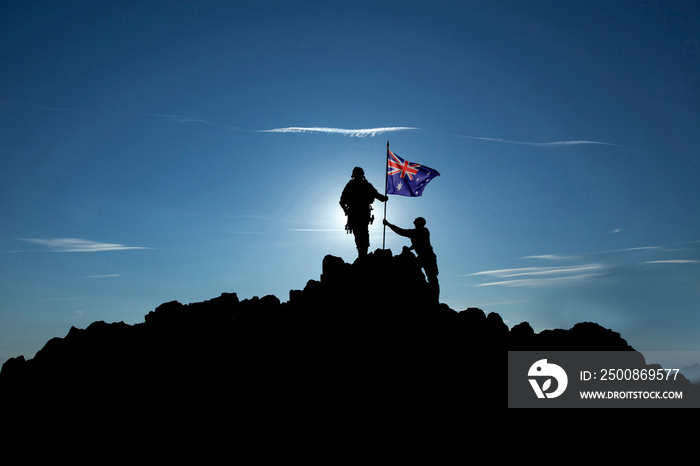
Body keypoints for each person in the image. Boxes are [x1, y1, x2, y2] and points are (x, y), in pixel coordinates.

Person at [383, 217, 439, 300]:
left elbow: (402, 232)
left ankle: (433, 298)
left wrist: (389, 225)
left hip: (426, 256)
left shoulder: (419, 231)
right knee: (430, 277)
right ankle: (432, 297)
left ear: (418, 223)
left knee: (431, 277)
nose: (413, 222)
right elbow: (419, 242)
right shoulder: (423, 231)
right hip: (427, 256)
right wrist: (410, 248)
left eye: (415, 221)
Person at [339, 167, 388, 258]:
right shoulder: (365, 185)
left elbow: (342, 201)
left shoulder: (353, 184)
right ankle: (362, 254)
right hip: (360, 213)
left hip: (356, 214)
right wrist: (383, 198)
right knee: (362, 234)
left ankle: (362, 255)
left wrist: (346, 210)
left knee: (360, 234)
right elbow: (377, 195)